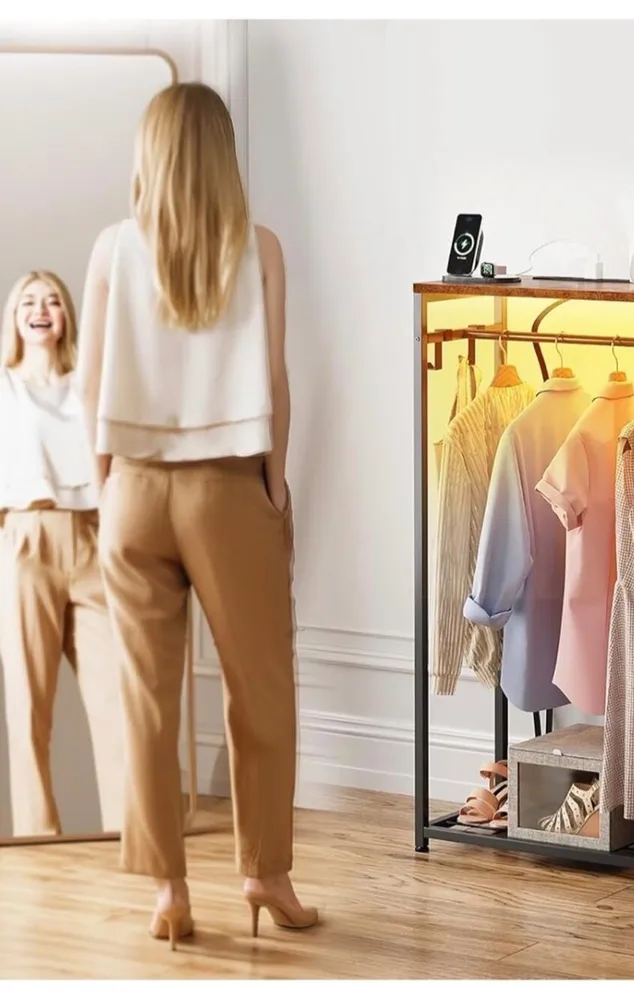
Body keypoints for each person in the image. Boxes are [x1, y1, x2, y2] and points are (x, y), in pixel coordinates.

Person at [77, 81, 316, 949]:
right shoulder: (260, 247)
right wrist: (275, 485)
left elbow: (88, 384)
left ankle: (169, 891)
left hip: (134, 491)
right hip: (228, 489)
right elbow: (276, 381)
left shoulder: (111, 248)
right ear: (223, 154)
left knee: (144, 697)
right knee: (261, 688)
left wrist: (106, 487)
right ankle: (265, 873)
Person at [0, 270, 124, 839]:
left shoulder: (87, 387)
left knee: (118, 700)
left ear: (67, 315)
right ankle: (38, 840)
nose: (41, 309)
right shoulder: (5, 387)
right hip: (28, 539)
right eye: (28, 301)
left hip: (94, 539)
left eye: (52, 300)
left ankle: (132, 835)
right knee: (28, 705)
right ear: (14, 316)